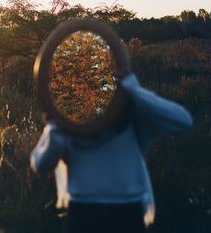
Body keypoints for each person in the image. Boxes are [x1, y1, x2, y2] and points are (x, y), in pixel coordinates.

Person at [30, 71, 193, 233]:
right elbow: (40, 164)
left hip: (121, 209)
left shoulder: (131, 117)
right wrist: (55, 136)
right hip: (90, 210)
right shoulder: (69, 120)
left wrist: (135, 91)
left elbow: (183, 120)